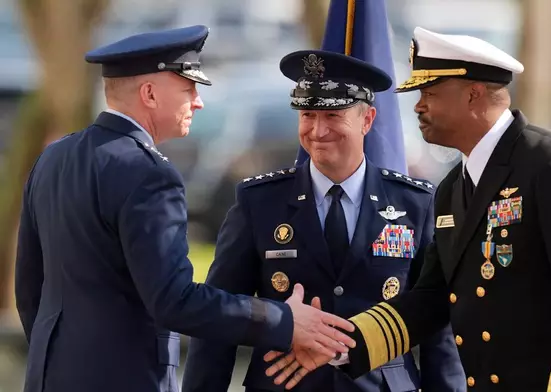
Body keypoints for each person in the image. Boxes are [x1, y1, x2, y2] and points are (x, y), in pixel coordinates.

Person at [264, 27, 551, 392]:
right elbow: (431, 298)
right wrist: (337, 346)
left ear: (473, 95)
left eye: (430, 93)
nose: (418, 105)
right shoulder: (453, 187)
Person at [14, 25, 356, 392]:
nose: (198, 101)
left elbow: (30, 289)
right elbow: (174, 300)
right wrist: (283, 320)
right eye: (188, 88)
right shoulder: (148, 173)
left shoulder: (53, 158)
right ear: (149, 94)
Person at [181, 49, 466, 392]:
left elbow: (438, 327)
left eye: (333, 116)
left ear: (368, 119)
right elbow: (219, 321)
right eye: (308, 115)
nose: (317, 130)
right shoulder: (259, 202)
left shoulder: (414, 203)